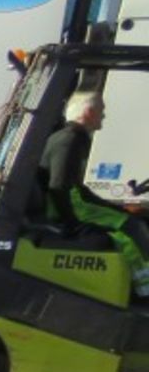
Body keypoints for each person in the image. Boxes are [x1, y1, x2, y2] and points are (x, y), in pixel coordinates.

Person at [40, 90, 149, 300]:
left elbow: (77, 188)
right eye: (102, 111)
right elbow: (59, 186)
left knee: (137, 217)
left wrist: (116, 207)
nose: (104, 116)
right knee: (134, 227)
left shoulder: (70, 138)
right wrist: (71, 224)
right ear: (89, 112)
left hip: (76, 203)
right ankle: (144, 292)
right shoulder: (69, 140)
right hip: (71, 208)